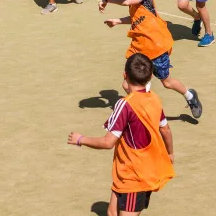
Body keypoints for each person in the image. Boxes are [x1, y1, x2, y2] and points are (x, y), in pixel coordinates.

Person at [67, 53, 175, 216]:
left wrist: (81, 139)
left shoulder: (125, 105)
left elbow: (108, 142)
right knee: (112, 212)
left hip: (134, 175)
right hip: (130, 171)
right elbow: (165, 129)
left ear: (125, 75)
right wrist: (170, 153)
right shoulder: (154, 99)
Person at [99, 0, 203, 117]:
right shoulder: (133, 6)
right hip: (139, 49)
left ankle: (190, 96)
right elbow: (135, 18)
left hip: (156, 47)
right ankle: (143, 111)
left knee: (167, 83)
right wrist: (118, 21)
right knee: (126, 85)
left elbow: (128, 1)